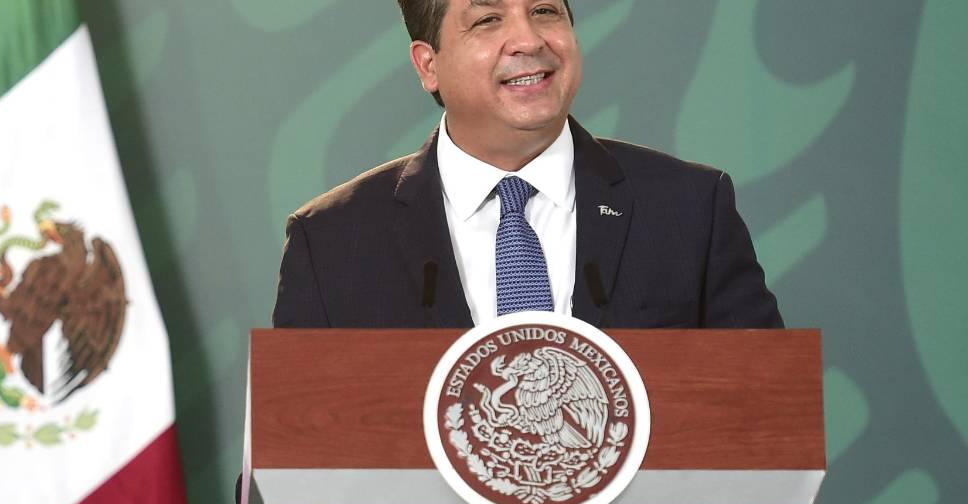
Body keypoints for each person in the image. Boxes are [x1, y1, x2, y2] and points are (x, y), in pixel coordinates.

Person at [271, 0, 782, 330]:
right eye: (488, 20)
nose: (529, 40)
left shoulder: (689, 209)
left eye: (544, 11)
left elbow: (768, 417)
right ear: (428, 65)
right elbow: (291, 453)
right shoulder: (332, 241)